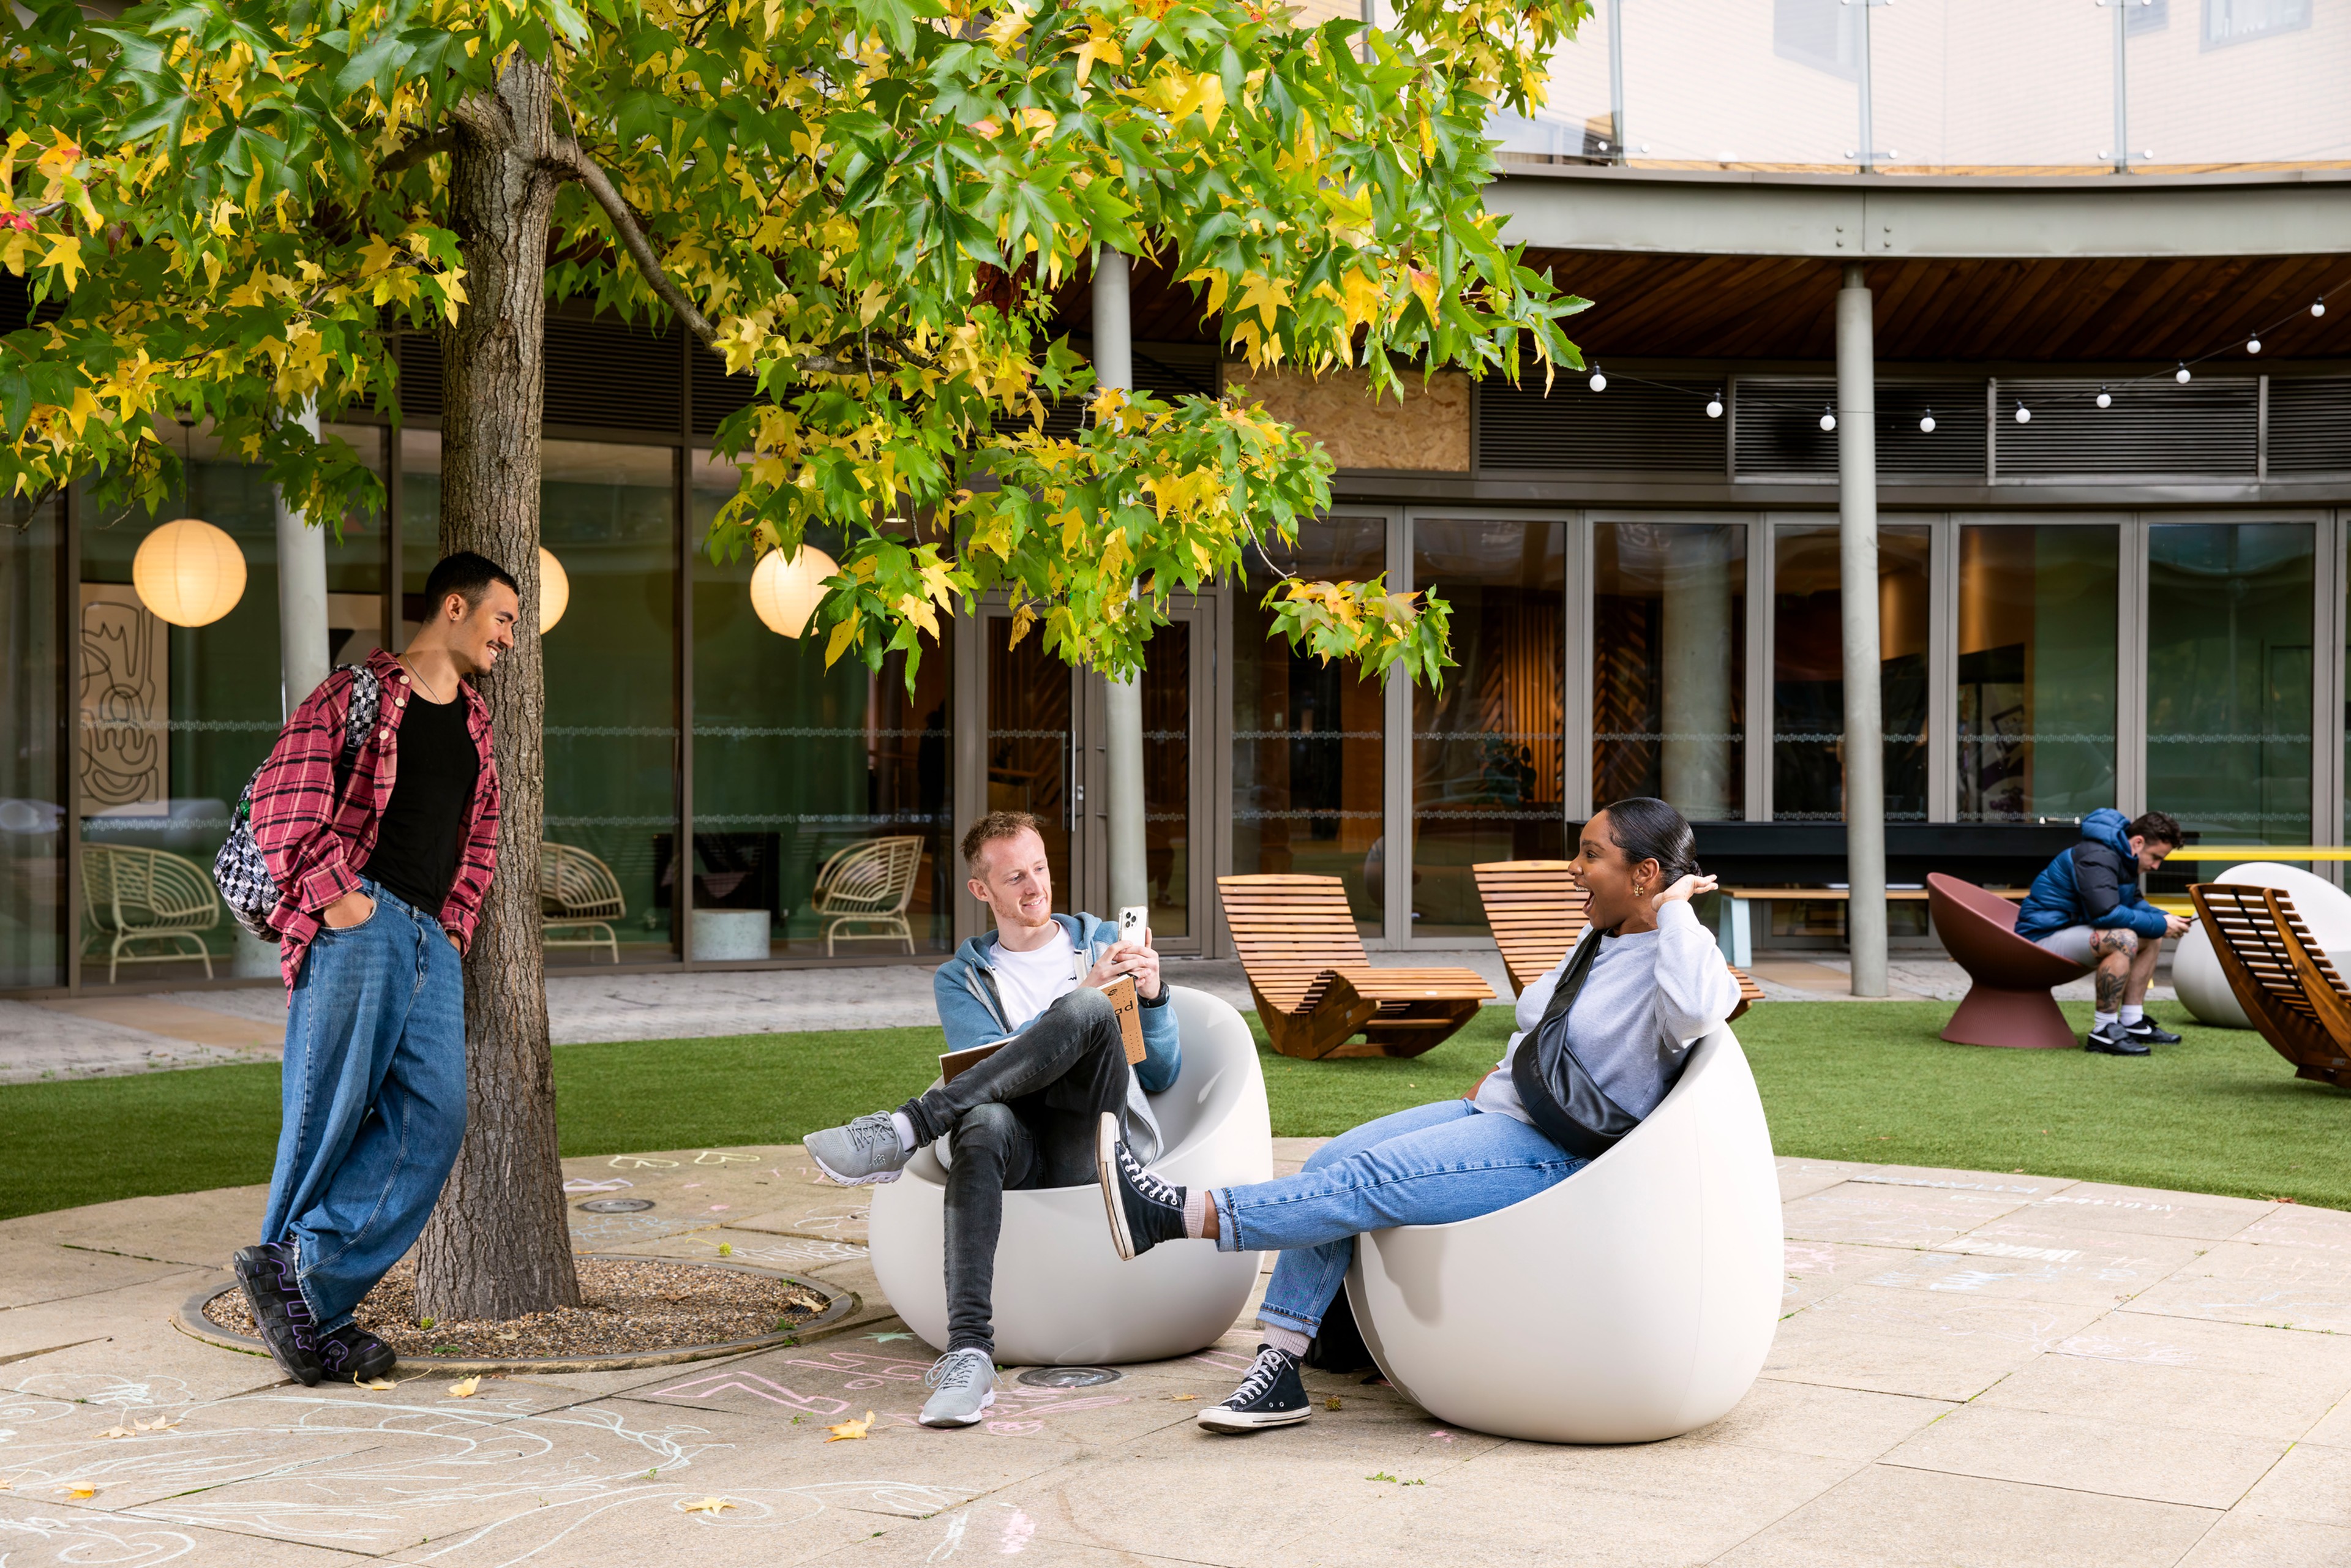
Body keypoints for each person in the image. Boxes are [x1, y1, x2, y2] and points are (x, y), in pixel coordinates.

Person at [1096, 797, 1738, 1434]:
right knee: (1332, 1161)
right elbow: (1544, 1015)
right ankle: (1280, 1367)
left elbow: (1699, 1009)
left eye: (1591, 854)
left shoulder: (1680, 955)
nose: (1572, 867)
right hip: (1501, 1109)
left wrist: (1677, 911)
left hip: (1554, 1145)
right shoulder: (1600, 934)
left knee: (1364, 1180)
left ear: (1645, 873)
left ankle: (1176, 1213)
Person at [231, 552, 517, 1387]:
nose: (509, 637)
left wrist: (455, 926)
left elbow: (482, 833)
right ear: (455, 608)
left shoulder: (476, 723)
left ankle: (302, 1286)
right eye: (502, 618)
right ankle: (309, 1319)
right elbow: (282, 799)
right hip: (358, 927)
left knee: (434, 1119)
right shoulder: (355, 694)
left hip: (430, 941)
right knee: (329, 1114)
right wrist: (339, 901)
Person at [802, 811, 1180, 1429]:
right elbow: (985, 1075)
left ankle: (903, 1130)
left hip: (1094, 1136)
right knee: (981, 1121)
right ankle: (969, 1352)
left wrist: (1156, 996)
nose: (1035, 888)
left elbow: (1161, 1073)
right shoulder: (961, 979)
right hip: (1018, 1144)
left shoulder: (1103, 940)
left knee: (1087, 1008)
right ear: (982, 890)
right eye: (1015, 878)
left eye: (1040, 870)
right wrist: (1082, 992)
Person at [2015, 808, 2189, 1056]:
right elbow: (2105, 913)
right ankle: (2104, 1031)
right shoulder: (2097, 857)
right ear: (2138, 842)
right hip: (2040, 938)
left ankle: (2132, 1021)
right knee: (2123, 939)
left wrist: (2165, 919)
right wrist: (2161, 923)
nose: (2156, 866)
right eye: (2155, 857)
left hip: (2071, 931)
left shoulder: (2123, 857)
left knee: (2151, 936)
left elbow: (2133, 903)